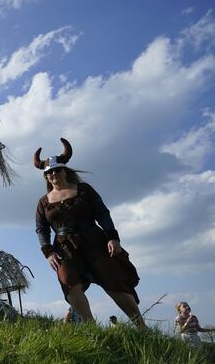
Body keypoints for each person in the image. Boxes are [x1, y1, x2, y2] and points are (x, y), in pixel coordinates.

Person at [34, 138, 145, 329]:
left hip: (94, 241)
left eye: (56, 170)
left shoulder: (84, 190)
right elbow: (41, 228)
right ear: (46, 177)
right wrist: (48, 251)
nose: (53, 174)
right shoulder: (43, 202)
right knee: (69, 284)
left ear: (64, 171)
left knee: (114, 282)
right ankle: (91, 329)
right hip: (63, 248)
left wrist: (112, 237)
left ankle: (142, 327)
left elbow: (102, 213)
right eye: (49, 172)